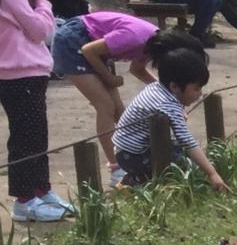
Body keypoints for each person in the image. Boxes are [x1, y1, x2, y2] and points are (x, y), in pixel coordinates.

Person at [52, 12, 186, 184]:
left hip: (95, 49)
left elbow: (137, 70)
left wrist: (169, 97)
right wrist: (108, 77)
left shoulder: (151, 43)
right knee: (105, 105)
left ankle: (131, 159)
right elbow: (89, 51)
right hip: (74, 41)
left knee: (120, 112)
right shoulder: (136, 38)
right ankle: (116, 168)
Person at [0, 0, 73, 223]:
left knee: (37, 136)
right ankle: (24, 199)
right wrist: (43, 3)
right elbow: (42, 31)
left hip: (26, 75)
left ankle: (42, 190)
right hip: (21, 76)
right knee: (26, 139)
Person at [112, 39, 228, 191]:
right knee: (183, 167)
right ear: (174, 86)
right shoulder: (166, 105)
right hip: (133, 155)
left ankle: (141, 178)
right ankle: (136, 182)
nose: (200, 94)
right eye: (196, 89)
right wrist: (212, 174)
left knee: (181, 154)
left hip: (127, 148)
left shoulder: (158, 87)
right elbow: (188, 141)